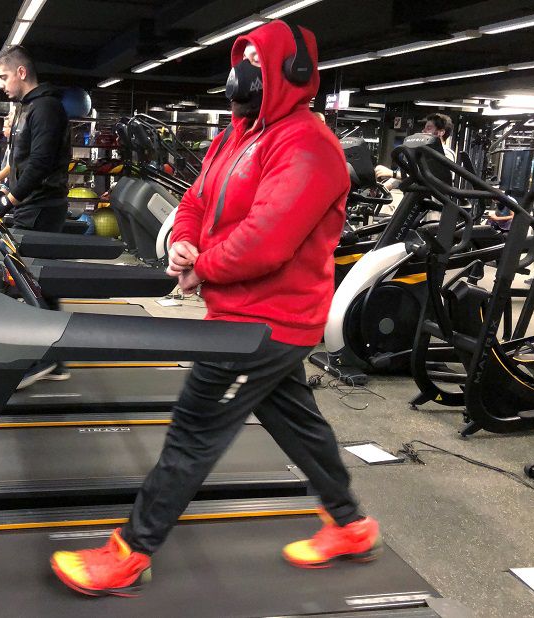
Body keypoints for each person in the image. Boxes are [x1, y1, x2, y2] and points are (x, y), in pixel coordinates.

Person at [50, 20, 380, 598]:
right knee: (298, 423)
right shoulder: (238, 134)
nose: (242, 69)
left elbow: (267, 238)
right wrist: (184, 238)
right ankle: (351, 524)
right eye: (241, 56)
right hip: (244, 313)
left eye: (255, 57)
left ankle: (129, 552)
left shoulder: (307, 144)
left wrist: (204, 266)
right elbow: (199, 198)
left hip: (268, 322)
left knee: (195, 427)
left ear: (291, 72)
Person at [0, 45, 70, 233]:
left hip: (42, 208)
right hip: (29, 205)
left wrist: (6, 202)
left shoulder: (46, 108)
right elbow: (21, 160)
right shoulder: (26, 107)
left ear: (21, 72)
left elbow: (40, 163)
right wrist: (4, 191)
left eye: (3, 77)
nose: (0, 85)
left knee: (23, 261)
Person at [375, 113, 456, 189]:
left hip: (435, 202)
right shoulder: (421, 153)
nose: (423, 131)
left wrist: (392, 174)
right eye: (424, 127)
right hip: (417, 199)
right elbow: (408, 177)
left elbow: (430, 177)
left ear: (440, 132)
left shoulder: (446, 153)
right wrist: (383, 188)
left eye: (428, 128)